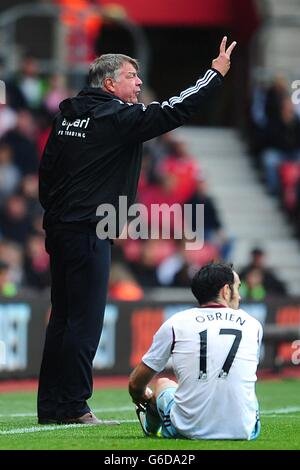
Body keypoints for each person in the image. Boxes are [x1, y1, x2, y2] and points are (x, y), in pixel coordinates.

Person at [38, 37, 237, 425]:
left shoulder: (67, 117)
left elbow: (47, 171)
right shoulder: (116, 117)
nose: (139, 83)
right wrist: (214, 74)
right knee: (85, 320)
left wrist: (57, 213)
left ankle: (51, 406)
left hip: (62, 228)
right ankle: (75, 407)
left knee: (62, 318)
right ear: (109, 83)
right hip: (91, 228)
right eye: (131, 76)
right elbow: (174, 111)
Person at [129, 263, 263, 440]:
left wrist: (141, 396)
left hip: (189, 428)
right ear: (225, 291)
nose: (239, 295)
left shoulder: (176, 323)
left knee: (163, 384)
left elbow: (135, 384)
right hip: (244, 430)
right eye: (237, 288)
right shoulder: (253, 325)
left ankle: (152, 428)